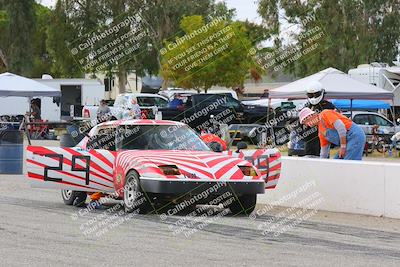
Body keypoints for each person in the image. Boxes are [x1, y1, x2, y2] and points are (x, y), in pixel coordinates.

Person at [299, 107, 366, 160]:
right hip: (347, 142)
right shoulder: (321, 132)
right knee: (335, 162)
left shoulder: (325, 114)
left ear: (311, 115)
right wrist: (321, 164)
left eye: (306, 121)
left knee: (347, 164)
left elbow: (341, 128)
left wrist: (343, 147)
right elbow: (324, 152)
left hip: (355, 136)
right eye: (305, 123)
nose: (307, 124)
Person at [302, 81, 336, 156]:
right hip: (309, 139)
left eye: (315, 94)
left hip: (323, 138)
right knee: (308, 161)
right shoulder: (307, 106)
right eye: (310, 95)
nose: (313, 97)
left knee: (322, 161)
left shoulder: (328, 106)